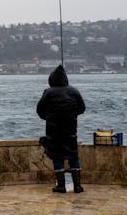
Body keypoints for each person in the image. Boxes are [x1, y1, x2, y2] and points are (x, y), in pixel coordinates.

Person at [37, 65, 86, 193]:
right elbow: (82, 108)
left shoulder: (48, 92)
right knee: (73, 155)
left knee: (57, 156)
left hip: (54, 131)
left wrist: (49, 118)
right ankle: (77, 186)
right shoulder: (74, 91)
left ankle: (61, 186)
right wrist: (71, 115)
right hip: (71, 130)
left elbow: (39, 110)